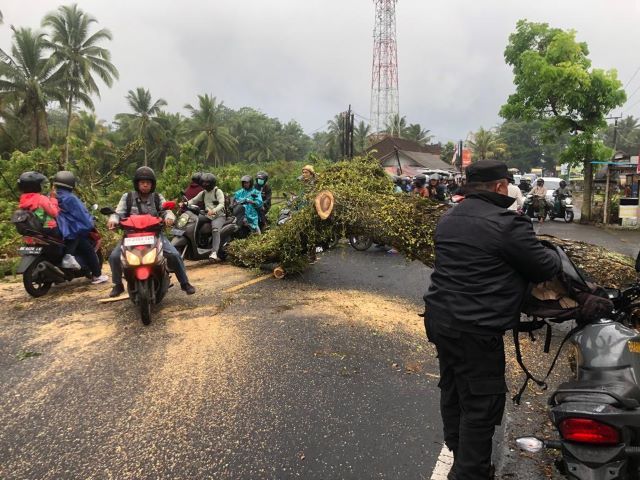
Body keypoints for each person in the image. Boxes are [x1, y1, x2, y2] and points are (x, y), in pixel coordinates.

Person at [424, 160, 561, 480]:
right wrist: (554, 253)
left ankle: (461, 456)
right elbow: (544, 267)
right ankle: (470, 473)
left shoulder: (448, 218)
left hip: (439, 320)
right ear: (500, 187)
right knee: (481, 403)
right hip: (475, 328)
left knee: (454, 390)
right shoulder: (507, 223)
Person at [107, 166, 196, 297]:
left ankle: (185, 283)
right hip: (131, 236)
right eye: (142, 182)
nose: (145, 185)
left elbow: (167, 211)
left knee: (174, 255)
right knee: (114, 257)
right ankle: (118, 285)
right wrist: (113, 219)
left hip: (154, 235)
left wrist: (169, 218)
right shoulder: (128, 197)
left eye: (148, 183)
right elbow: (118, 213)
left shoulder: (157, 197)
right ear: (137, 183)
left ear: (152, 184)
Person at [52, 171, 108, 284]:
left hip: (60, 230)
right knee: (88, 250)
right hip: (72, 230)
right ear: (71, 184)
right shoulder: (71, 198)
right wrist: (90, 221)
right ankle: (97, 276)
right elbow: (82, 214)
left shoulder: (53, 196)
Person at [187, 173, 226, 261]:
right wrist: (185, 203)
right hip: (207, 215)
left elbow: (221, 204)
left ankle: (214, 252)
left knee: (215, 229)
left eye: (207, 183)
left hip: (219, 216)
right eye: (203, 183)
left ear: (212, 183)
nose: (205, 185)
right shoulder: (203, 193)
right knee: (194, 221)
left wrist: (214, 210)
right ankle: (197, 244)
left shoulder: (218, 191)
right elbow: (194, 200)